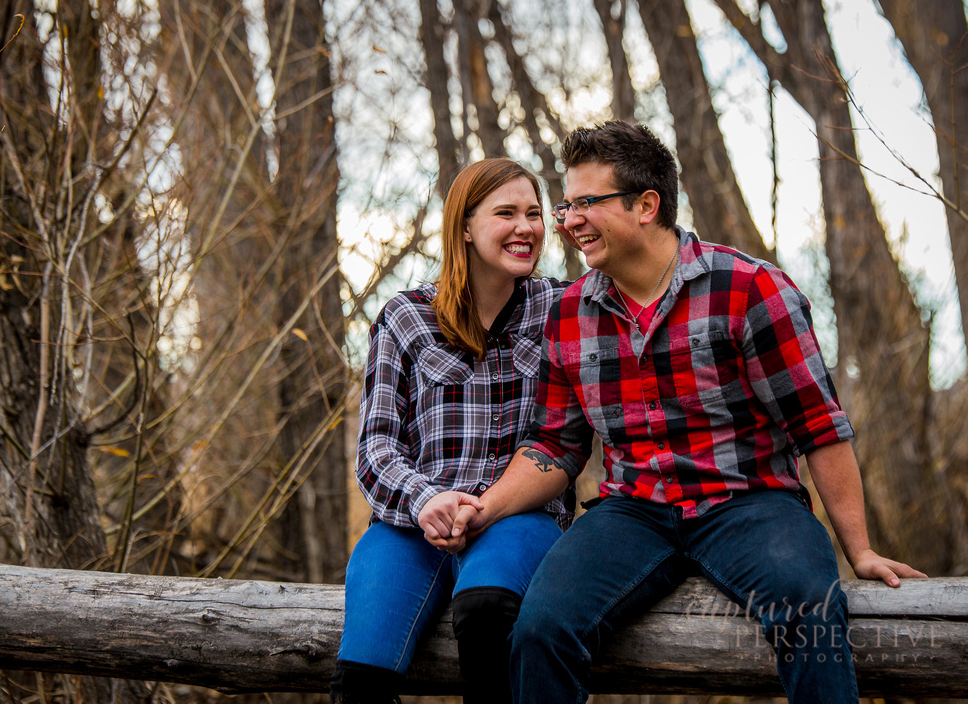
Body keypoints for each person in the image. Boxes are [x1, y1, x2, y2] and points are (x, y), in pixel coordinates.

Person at [432, 122, 926, 703]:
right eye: (566, 205)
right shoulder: (569, 313)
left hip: (751, 502)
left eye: (586, 203)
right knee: (540, 630)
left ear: (646, 205)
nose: (567, 221)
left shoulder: (749, 289)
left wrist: (859, 550)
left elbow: (817, 426)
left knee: (809, 613)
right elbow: (554, 447)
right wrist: (483, 509)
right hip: (632, 512)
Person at [330, 158, 575, 704]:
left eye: (534, 213)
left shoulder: (562, 309)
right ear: (464, 225)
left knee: (485, 613)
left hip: (520, 517)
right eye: (506, 213)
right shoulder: (405, 316)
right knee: (359, 684)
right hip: (412, 523)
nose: (526, 227)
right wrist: (424, 500)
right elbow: (375, 448)